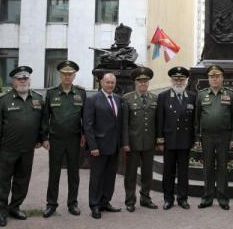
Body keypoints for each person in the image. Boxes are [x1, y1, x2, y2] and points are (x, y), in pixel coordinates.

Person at [0, 66, 44, 227]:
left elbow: (42, 122)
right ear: (14, 81)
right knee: (4, 181)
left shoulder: (38, 99)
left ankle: (15, 207)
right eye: (20, 78)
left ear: (29, 80)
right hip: (7, 148)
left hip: (28, 148)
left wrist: (41, 137)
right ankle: (1, 212)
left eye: (26, 78)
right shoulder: (3, 99)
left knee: (22, 180)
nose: (23, 81)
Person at [42, 60, 86, 218]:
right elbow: (45, 117)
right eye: (64, 74)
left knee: (74, 173)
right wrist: (45, 137)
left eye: (70, 74)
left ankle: (72, 203)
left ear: (74, 76)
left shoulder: (81, 93)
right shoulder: (52, 93)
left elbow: (85, 117)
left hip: (74, 140)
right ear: (60, 75)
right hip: (55, 140)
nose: (67, 77)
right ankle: (51, 204)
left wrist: (84, 134)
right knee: (54, 173)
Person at [194, 64, 233, 210]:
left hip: (224, 136)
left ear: (222, 78)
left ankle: (223, 198)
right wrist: (197, 137)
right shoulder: (201, 95)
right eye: (212, 76)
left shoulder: (230, 94)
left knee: (222, 167)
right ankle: (207, 197)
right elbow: (197, 118)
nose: (214, 79)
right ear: (208, 78)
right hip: (206, 136)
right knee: (207, 167)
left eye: (217, 76)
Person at [82, 73, 123, 219]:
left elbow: (119, 124)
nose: (110, 85)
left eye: (112, 82)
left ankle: (105, 202)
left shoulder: (118, 99)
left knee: (110, 177)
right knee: (96, 177)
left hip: (114, 146)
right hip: (98, 147)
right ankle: (94, 205)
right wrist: (92, 146)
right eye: (107, 82)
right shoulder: (92, 100)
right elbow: (88, 125)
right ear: (101, 82)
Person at [156, 66, 196, 210]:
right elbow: (160, 119)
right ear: (171, 80)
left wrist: (194, 139)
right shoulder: (163, 96)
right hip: (169, 140)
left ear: (186, 81)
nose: (179, 82)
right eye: (176, 79)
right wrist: (160, 139)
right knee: (168, 172)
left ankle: (182, 198)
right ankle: (168, 199)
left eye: (181, 79)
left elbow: (194, 121)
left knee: (184, 172)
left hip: (185, 141)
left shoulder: (192, 96)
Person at [122, 66, 159, 212]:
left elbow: (157, 122)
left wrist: (158, 140)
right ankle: (130, 200)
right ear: (135, 83)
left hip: (149, 142)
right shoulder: (127, 99)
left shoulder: (154, 99)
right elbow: (124, 124)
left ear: (148, 83)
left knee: (147, 173)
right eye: (140, 81)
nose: (143, 84)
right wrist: (125, 143)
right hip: (133, 143)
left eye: (145, 81)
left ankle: (145, 198)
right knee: (130, 174)